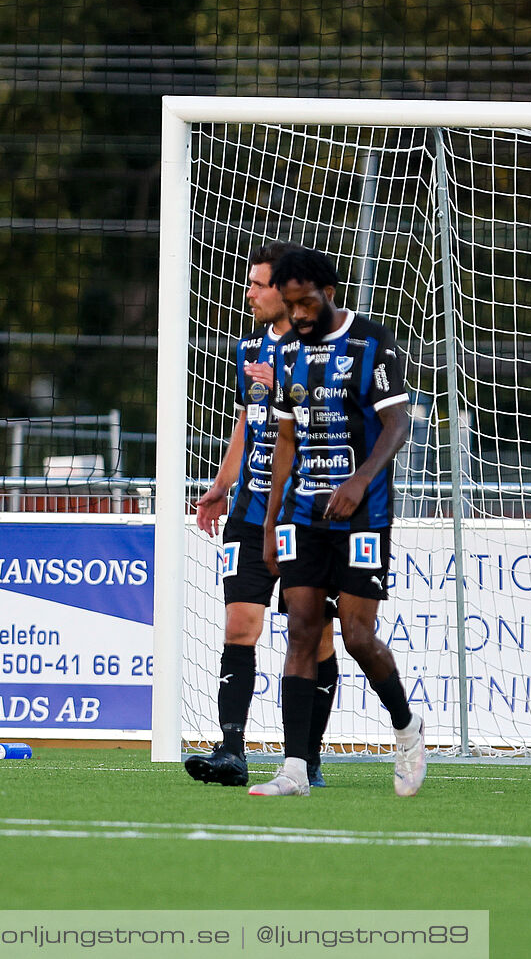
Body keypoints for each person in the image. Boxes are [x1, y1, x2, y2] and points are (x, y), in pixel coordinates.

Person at [253, 247, 425, 797]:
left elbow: (397, 424)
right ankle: (295, 769)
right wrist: (271, 519)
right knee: (301, 631)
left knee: (356, 637)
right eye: (291, 306)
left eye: (306, 305)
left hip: (363, 516)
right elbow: (284, 440)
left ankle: (406, 727)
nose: (299, 317)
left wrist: (359, 481)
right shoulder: (286, 354)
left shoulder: (370, 343)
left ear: (328, 293)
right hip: (303, 515)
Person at [184, 243, 339, 788]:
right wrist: (220, 486)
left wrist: (291, 394)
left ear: (287, 291)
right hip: (250, 510)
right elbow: (246, 426)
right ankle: (231, 749)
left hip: (309, 512)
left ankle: (307, 757)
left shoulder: (323, 350)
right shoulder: (247, 348)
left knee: (312, 633)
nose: (248, 293)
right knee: (239, 626)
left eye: (257, 284)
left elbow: (341, 424)